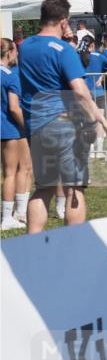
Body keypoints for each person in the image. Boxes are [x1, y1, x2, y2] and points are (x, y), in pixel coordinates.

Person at [18, 0, 107, 233]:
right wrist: (97, 116)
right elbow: (79, 90)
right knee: (74, 188)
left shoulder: (25, 46)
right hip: (63, 123)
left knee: (44, 187)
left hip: (36, 125)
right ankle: (74, 243)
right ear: (64, 21)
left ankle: (33, 242)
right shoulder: (63, 51)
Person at [1, 39, 31, 230]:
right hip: (11, 128)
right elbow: (14, 107)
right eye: (16, 52)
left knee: (12, 171)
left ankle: (18, 212)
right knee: (15, 171)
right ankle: (9, 216)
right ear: (9, 53)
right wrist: (26, 126)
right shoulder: (11, 76)